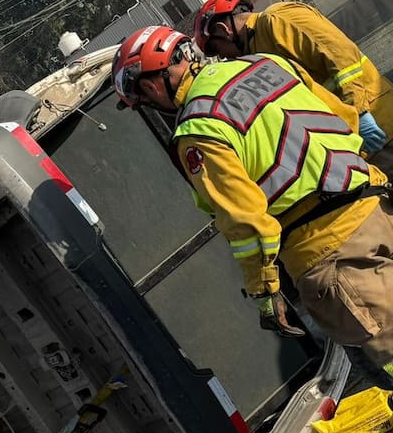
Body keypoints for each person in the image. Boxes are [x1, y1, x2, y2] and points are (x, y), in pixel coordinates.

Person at [112, 26, 393, 383]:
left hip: (329, 252)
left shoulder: (198, 129)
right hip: (378, 206)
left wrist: (265, 292)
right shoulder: (269, 63)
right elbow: (343, 118)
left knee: (386, 361)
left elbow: (245, 223)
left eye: (145, 100)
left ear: (150, 87)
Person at [192, 0, 393, 169]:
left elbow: (341, 56)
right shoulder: (258, 52)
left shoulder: (277, 19)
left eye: (218, 50)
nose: (226, 58)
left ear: (222, 29)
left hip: (378, 117)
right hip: (358, 139)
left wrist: (361, 113)